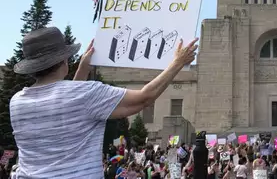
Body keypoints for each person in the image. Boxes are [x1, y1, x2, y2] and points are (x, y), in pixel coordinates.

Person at [9, 26, 199, 179]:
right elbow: (144, 98)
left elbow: (66, 108)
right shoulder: (86, 93)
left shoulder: (17, 102)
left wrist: (82, 70)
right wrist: (177, 63)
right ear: (64, 60)